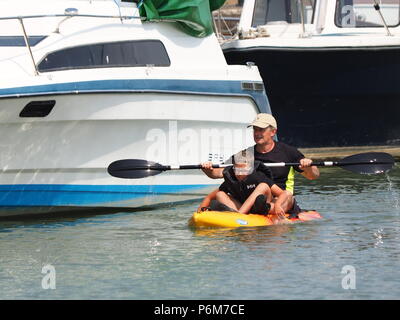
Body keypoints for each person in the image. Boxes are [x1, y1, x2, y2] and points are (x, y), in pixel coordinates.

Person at [201, 113, 320, 216]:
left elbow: (313, 176)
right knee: (221, 195)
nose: (257, 133)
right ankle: (244, 213)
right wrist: (208, 169)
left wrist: (308, 166)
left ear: (273, 131)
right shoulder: (245, 155)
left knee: (288, 196)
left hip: (279, 199)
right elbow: (220, 172)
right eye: (255, 129)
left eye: (261, 129)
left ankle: (265, 209)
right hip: (249, 199)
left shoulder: (288, 152)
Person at [198, 152, 290, 217]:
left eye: (242, 170)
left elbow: (284, 193)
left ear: (250, 168)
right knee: (220, 194)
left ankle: (240, 215)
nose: (239, 173)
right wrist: (199, 213)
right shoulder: (231, 178)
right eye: (236, 169)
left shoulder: (258, 176)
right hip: (241, 208)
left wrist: (278, 205)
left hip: (264, 206)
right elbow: (209, 197)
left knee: (263, 186)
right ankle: (237, 214)